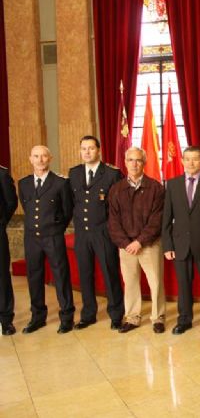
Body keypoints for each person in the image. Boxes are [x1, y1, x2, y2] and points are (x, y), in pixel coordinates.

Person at [162, 146, 200, 335]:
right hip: (180, 245)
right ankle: (184, 320)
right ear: (181, 161)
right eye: (187, 159)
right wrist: (168, 245)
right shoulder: (172, 185)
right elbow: (166, 218)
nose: (191, 163)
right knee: (183, 285)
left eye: (195, 159)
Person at [108, 147, 166, 334]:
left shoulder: (156, 187)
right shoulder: (116, 189)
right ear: (125, 162)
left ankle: (158, 318)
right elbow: (113, 221)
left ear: (144, 163)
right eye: (130, 160)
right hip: (126, 247)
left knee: (155, 282)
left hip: (149, 244)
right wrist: (126, 243)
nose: (134, 164)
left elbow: (157, 220)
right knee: (130, 282)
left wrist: (140, 241)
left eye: (138, 160)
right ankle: (132, 317)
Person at [68, 136, 124, 330]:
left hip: (104, 232)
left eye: (91, 148)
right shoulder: (74, 173)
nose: (87, 152)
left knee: (110, 273)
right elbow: (71, 203)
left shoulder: (111, 173)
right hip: (82, 233)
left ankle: (116, 314)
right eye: (83, 149)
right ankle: (88, 314)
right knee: (85, 274)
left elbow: (119, 207)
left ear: (99, 150)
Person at [18, 145, 75, 334]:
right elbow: (28, 209)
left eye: (44, 156)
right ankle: (38, 317)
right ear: (30, 159)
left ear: (50, 158)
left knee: (61, 276)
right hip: (31, 238)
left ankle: (66, 317)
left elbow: (67, 211)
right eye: (36, 156)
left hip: (53, 236)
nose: (40, 160)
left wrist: (56, 228)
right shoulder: (24, 183)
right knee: (34, 276)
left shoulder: (60, 183)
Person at [0, 165, 18, 335]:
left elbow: (11, 201)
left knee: (2, 276)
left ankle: (6, 320)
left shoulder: (2, 174)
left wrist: (1, 222)